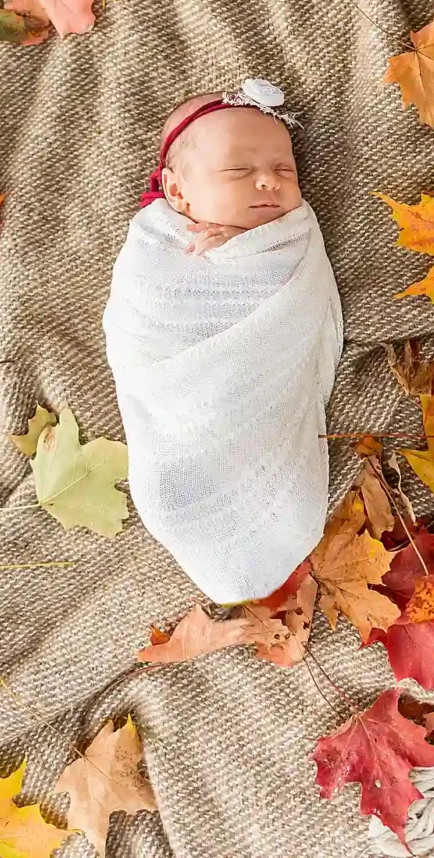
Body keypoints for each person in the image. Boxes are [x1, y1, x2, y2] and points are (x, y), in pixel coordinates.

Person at [103, 79, 343, 604]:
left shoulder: (290, 237)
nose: (268, 183)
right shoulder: (153, 247)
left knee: (274, 471)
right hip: (181, 401)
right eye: (239, 171)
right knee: (171, 489)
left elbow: (303, 294)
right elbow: (138, 323)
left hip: (256, 387)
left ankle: (263, 515)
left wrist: (251, 252)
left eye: (284, 170)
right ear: (177, 192)